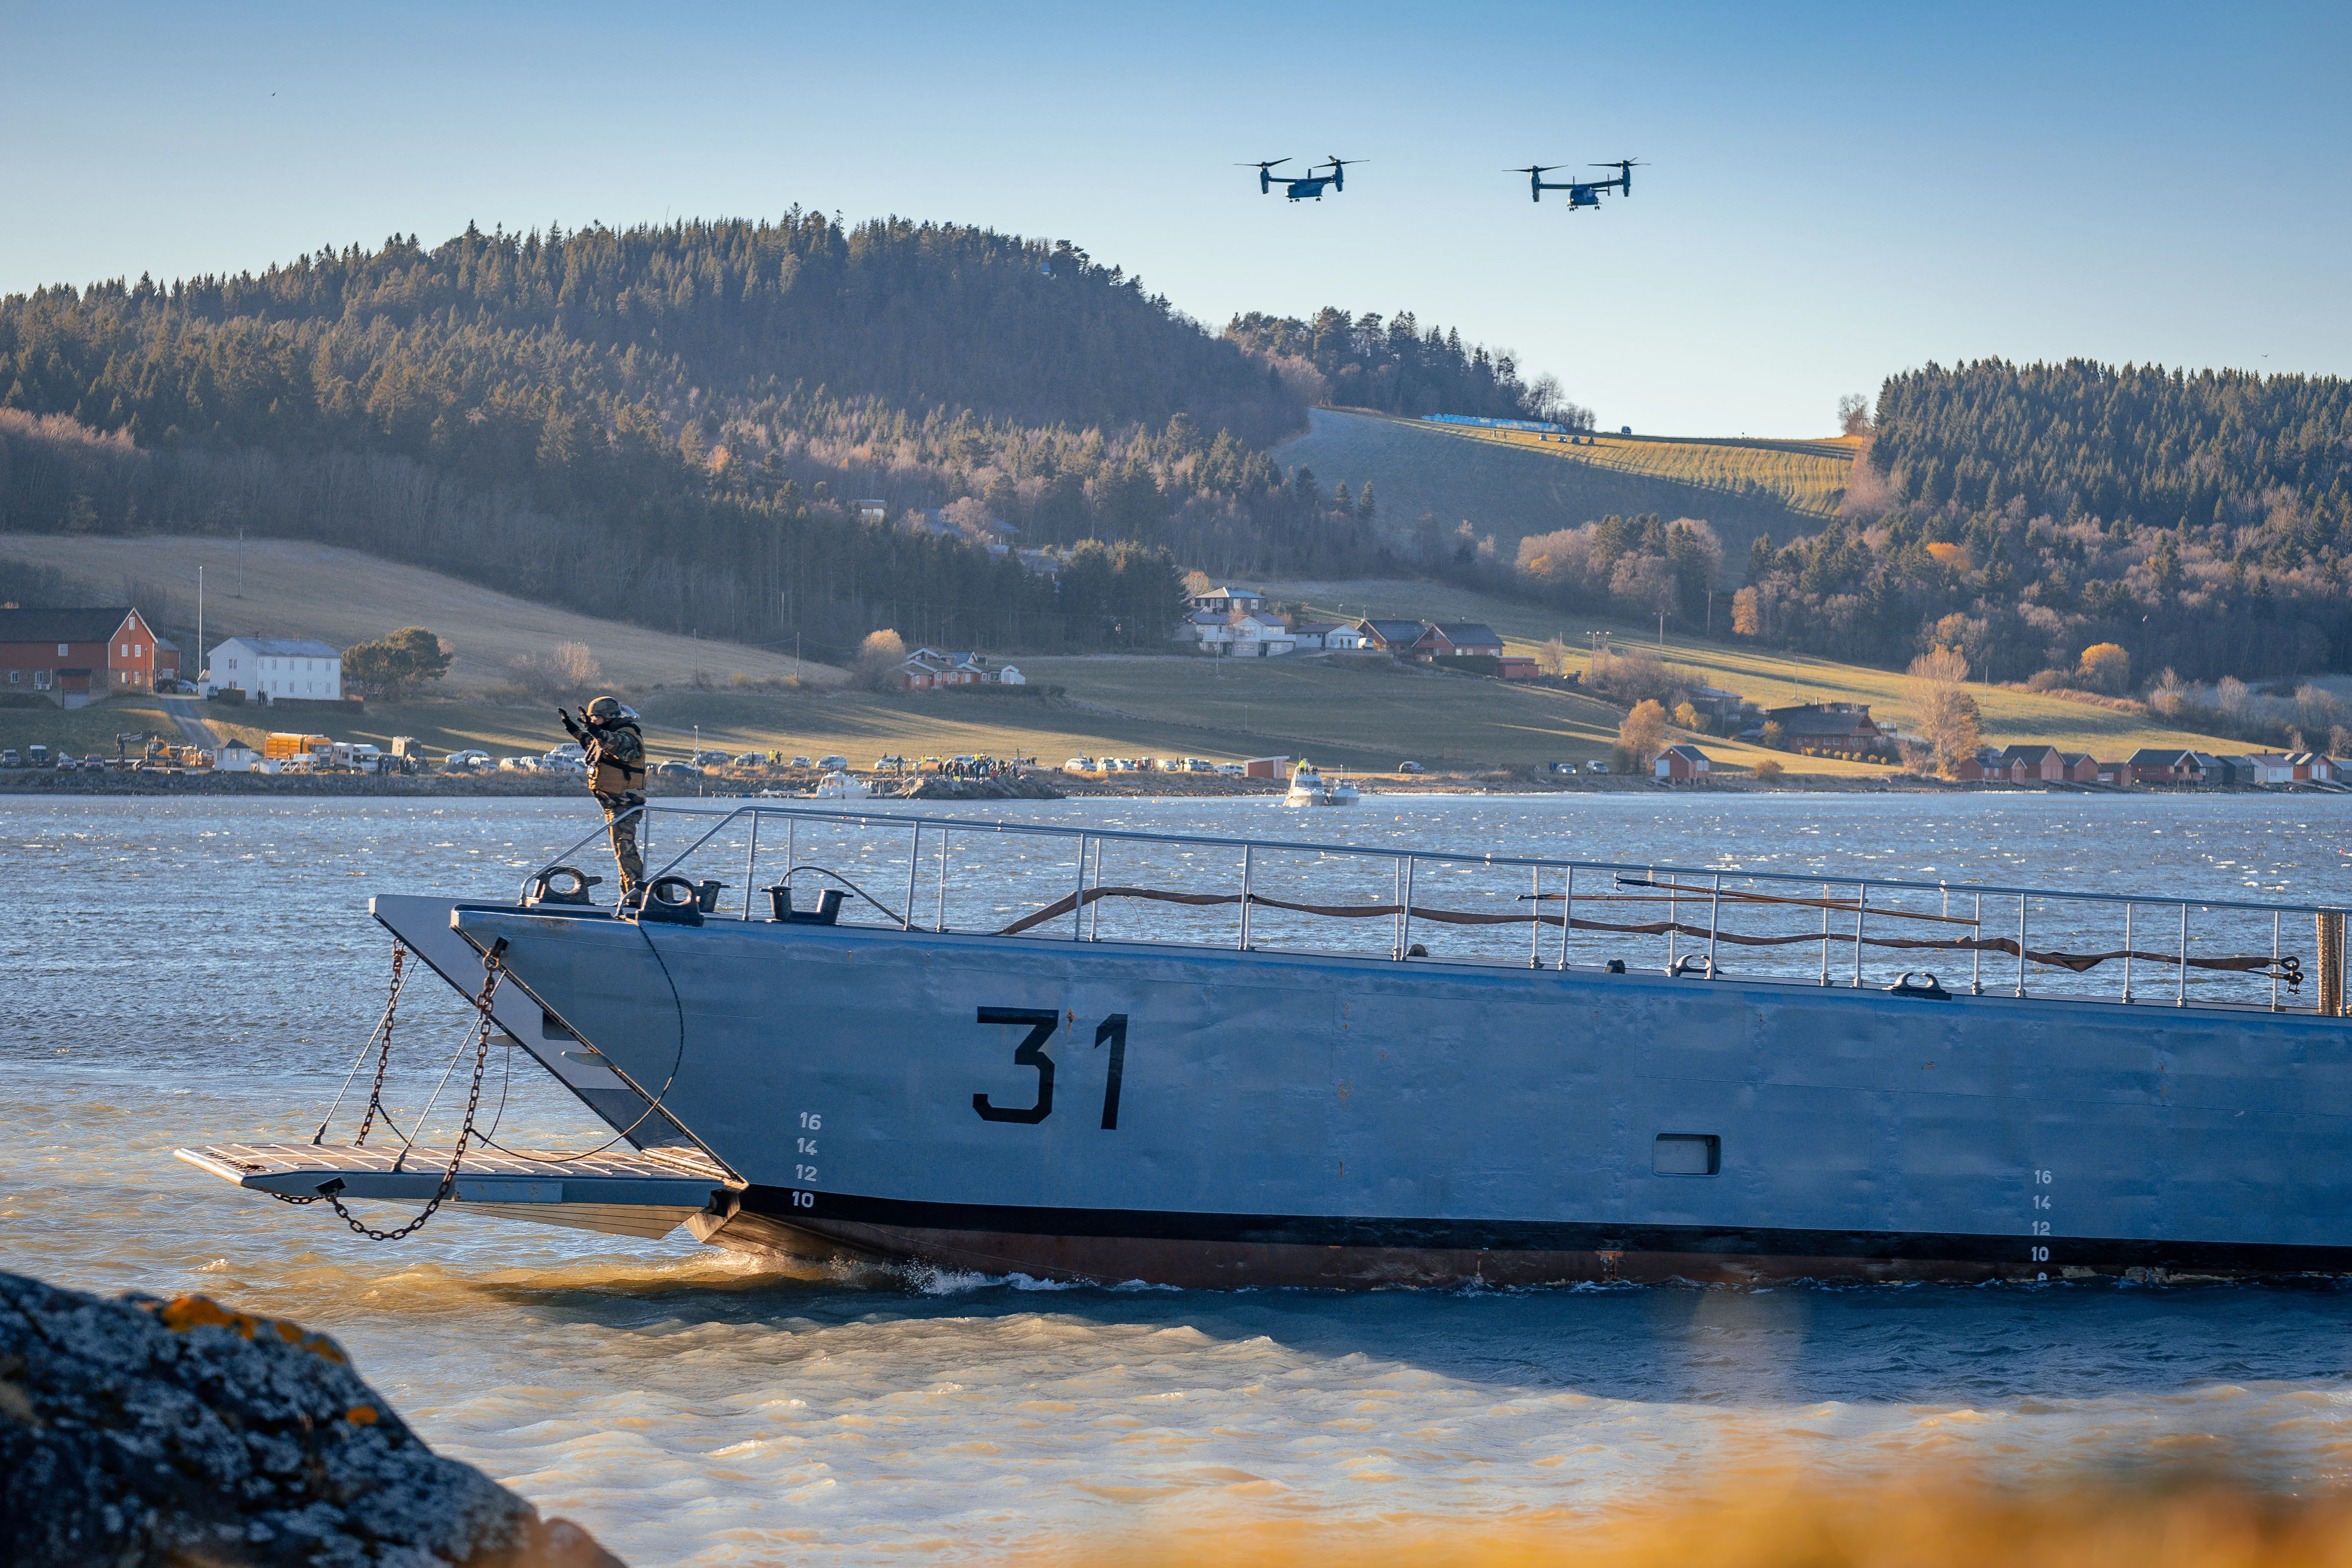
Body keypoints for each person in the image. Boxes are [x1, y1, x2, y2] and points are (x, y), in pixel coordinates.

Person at [560, 697, 648, 903]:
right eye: (591, 719)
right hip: (612, 804)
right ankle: (630, 895)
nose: (594, 722)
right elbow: (590, 743)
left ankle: (636, 897)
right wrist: (572, 728)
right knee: (621, 850)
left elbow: (620, 748)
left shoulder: (627, 735)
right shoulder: (605, 736)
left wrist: (596, 730)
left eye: (597, 718)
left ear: (609, 717)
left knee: (625, 850)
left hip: (625, 804)